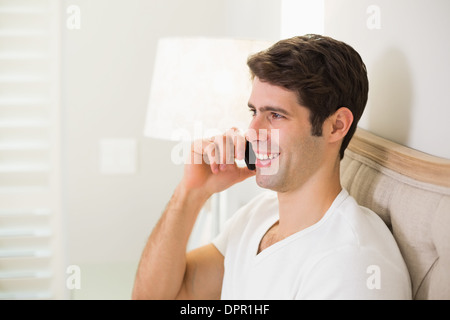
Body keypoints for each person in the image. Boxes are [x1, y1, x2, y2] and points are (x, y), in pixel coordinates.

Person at [132, 35, 412, 300]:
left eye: (275, 115)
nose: (252, 131)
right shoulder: (260, 215)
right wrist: (191, 192)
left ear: (336, 126)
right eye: (254, 112)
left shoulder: (351, 263)